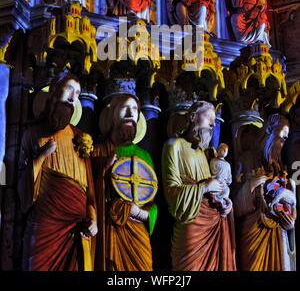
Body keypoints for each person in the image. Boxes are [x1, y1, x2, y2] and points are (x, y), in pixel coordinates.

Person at [18, 73, 97, 271]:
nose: (73, 97)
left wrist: (93, 218)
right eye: (69, 89)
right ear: (53, 90)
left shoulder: (80, 139)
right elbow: (21, 184)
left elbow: (89, 190)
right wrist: (41, 156)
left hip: (76, 229)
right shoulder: (32, 133)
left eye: (78, 93)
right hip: (45, 225)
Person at [162, 101, 236, 271]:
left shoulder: (207, 154)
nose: (212, 124)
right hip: (191, 224)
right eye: (208, 117)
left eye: (214, 121)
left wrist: (226, 203)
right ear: (192, 116)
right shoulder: (175, 145)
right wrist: (203, 188)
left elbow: (220, 187)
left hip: (213, 221)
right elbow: (171, 193)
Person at [92, 91, 157, 271]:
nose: (130, 114)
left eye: (135, 109)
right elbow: (87, 192)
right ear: (112, 115)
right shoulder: (97, 151)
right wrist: (104, 170)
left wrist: (140, 213)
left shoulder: (144, 156)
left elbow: (152, 201)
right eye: (124, 108)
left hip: (137, 231)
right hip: (108, 227)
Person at [234, 114, 296, 271]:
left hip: (277, 234)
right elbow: (236, 207)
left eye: (285, 139)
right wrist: (250, 185)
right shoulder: (247, 159)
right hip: (254, 232)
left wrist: (290, 223)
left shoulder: (279, 168)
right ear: (269, 131)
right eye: (281, 137)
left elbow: (289, 202)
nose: (282, 144)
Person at [210, 143, 233, 212]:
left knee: (227, 190)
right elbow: (213, 170)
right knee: (214, 188)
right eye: (221, 149)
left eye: (225, 150)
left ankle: (221, 202)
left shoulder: (227, 164)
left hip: (224, 184)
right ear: (218, 150)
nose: (223, 151)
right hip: (216, 180)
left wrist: (228, 181)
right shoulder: (214, 160)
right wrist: (217, 177)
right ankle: (216, 200)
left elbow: (229, 177)